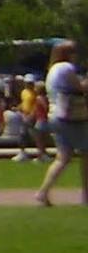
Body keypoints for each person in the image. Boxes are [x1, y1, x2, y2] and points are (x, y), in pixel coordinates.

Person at [34, 40, 88, 207]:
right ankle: (86, 195)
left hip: (55, 116)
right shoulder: (66, 68)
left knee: (63, 157)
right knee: (85, 153)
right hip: (71, 116)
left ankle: (43, 192)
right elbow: (81, 87)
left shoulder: (52, 70)